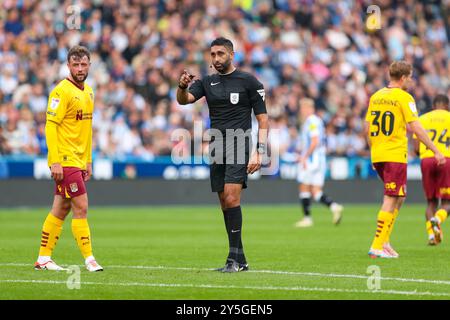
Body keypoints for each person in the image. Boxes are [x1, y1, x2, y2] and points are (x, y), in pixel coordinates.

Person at [177, 37, 268, 273]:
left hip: (239, 142)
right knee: (224, 203)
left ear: (231, 55)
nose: (216, 58)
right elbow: (184, 100)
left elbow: (263, 119)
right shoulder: (207, 82)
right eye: (213, 54)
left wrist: (259, 151)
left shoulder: (249, 82)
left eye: (220, 54)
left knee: (231, 198)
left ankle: (232, 260)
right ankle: (241, 260)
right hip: (216, 144)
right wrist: (182, 86)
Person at [365, 61, 446, 259]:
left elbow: (367, 127)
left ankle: (385, 241)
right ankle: (377, 245)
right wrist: (435, 150)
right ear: (402, 78)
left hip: (379, 153)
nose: (411, 80)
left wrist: (373, 149)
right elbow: (415, 127)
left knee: (399, 196)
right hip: (394, 154)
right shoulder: (404, 97)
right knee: (391, 197)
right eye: (410, 77)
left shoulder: (376, 96)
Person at [34, 46, 103, 272]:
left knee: (61, 209)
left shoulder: (89, 92)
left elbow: (87, 129)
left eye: (84, 64)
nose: (80, 69)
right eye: (76, 64)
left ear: (89, 65)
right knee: (81, 207)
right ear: (68, 66)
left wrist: (88, 160)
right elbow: (50, 126)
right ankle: (90, 259)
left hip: (78, 160)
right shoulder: (61, 92)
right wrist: (54, 160)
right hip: (64, 159)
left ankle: (43, 258)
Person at [294, 98, 343, 228]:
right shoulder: (317, 121)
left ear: (310, 108)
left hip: (312, 160)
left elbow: (315, 141)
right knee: (315, 191)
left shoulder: (312, 121)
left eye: (303, 108)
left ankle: (307, 218)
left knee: (304, 187)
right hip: (319, 159)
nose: (302, 111)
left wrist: (304, 156)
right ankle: (334, 206)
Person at [413, 94, 450, 245]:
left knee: (431, 202)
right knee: (447, 202)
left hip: (427, 160)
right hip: (446, 159)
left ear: (433, 106)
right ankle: (438, 219)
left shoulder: (423, 118)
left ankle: (431, 235)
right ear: (447, 106)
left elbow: (416, 147)